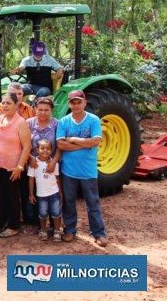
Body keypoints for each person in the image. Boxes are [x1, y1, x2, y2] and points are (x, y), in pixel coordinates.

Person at [56, 90, 108, 247]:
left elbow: (95, 142)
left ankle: (99, 233)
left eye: (79, 102)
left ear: (85, 103)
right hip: (68, 171)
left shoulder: (93, 120)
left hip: (88, 171)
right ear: (69, 104)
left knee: (93, 203)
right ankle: (70, 230)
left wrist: (72, 140)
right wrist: (84, 143)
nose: (76, 105)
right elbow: (60, 144)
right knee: (68, 202)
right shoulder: (63, 121)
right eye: (73, 102)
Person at [0, 93, 32, 238]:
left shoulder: (21, 123)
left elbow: (27, 147)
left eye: (8, 103)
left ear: (16, 105)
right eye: (3, 103)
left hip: (12, 167)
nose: (5, 105)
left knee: (12, 196)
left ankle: (13, 225)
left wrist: (19, 167)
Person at [23, 97, 62, 230]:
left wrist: (53, 162)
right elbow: (22, 143)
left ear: (51, 110)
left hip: (52, 166)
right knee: (35, 194)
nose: (43, 112)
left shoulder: (57, 124)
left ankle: (55, 225)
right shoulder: (28, 123)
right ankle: (38, 225)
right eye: (40, 109)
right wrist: (29, 157)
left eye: (46, 110)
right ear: (35, 109)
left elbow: (60, 146)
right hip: (34, 166)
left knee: (53, 194)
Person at [27, 139, 62, 242]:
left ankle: (56, 231)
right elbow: (31, 179)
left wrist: (60, 192)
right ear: (37, 150)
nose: (45, 151)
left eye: (48, 149)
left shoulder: (54, 163)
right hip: (41, 194)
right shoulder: (34, 163)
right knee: (42, 213)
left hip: (54, 192)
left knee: (56, 212)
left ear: (51, 151)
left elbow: (57, 178)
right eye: (42, 148)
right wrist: (31, 194)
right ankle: (43, 230)